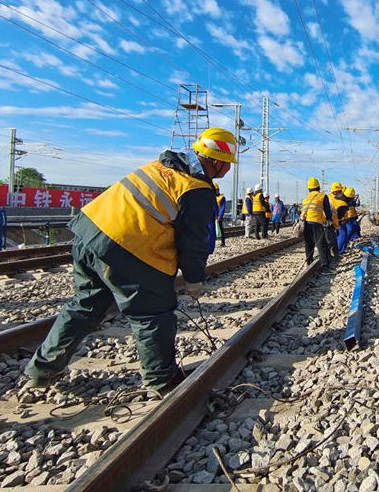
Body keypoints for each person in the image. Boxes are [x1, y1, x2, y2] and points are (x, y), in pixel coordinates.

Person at [20, 127, 237, 397]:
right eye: (228, 164)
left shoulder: (159, 166)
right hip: (126, 246)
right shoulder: (196, 189)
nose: (228, 171)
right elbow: (192, 243)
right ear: (216, 161)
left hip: (88, 233)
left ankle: (41, 371)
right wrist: (194, 279)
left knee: (85, 305)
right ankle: (162, 380)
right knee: (153, 312)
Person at [301, 177, 332, 266]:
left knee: (308, 243)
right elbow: (327, 209)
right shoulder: (322, 196)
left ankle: (309, 261)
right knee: (321, 243)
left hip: (306, 223)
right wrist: (329, 219)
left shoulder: (306, 198)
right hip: (316, 222)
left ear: (309, 188)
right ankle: (325, 264)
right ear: (318, 186)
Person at [327, 182, 346, 257]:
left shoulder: (331, 197)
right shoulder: (332, 199)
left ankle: (334, 252)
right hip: (332, 221)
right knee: (340, 235)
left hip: (333, 221)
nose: (340, 192)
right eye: (339, 191)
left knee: (333, 238)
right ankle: (337, 252)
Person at [214, 182, 227, 247]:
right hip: (213, 216)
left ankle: (223, 242)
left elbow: (223, 207)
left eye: (216, 189)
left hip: (219, 216)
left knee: (221, 229)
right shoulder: (211, 197)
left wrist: (220, 216)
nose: (216, 191)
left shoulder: (222, 197)